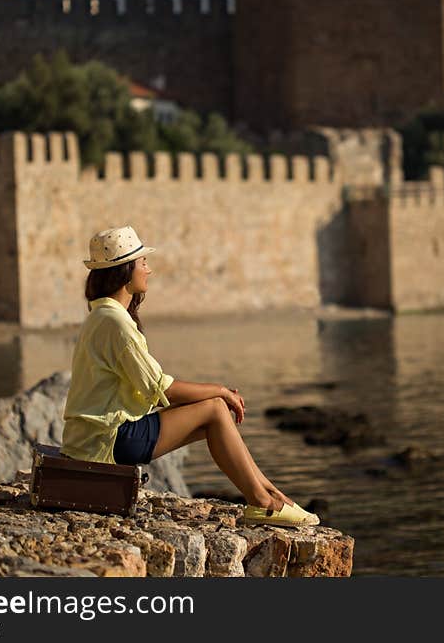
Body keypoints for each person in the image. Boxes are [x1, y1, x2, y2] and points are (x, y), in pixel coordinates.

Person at [60, 226, 319, 528]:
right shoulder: (114, 322)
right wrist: (221, 390)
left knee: (216, 412)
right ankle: (263, 501)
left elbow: (150, 389)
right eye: (143, 263)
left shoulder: (102, 316)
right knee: (213, 408)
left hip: (99, 437)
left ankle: (270, 494)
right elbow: (160, 387)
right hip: (108, 442)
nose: (149, 269)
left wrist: (218, 396)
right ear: (125, 271)